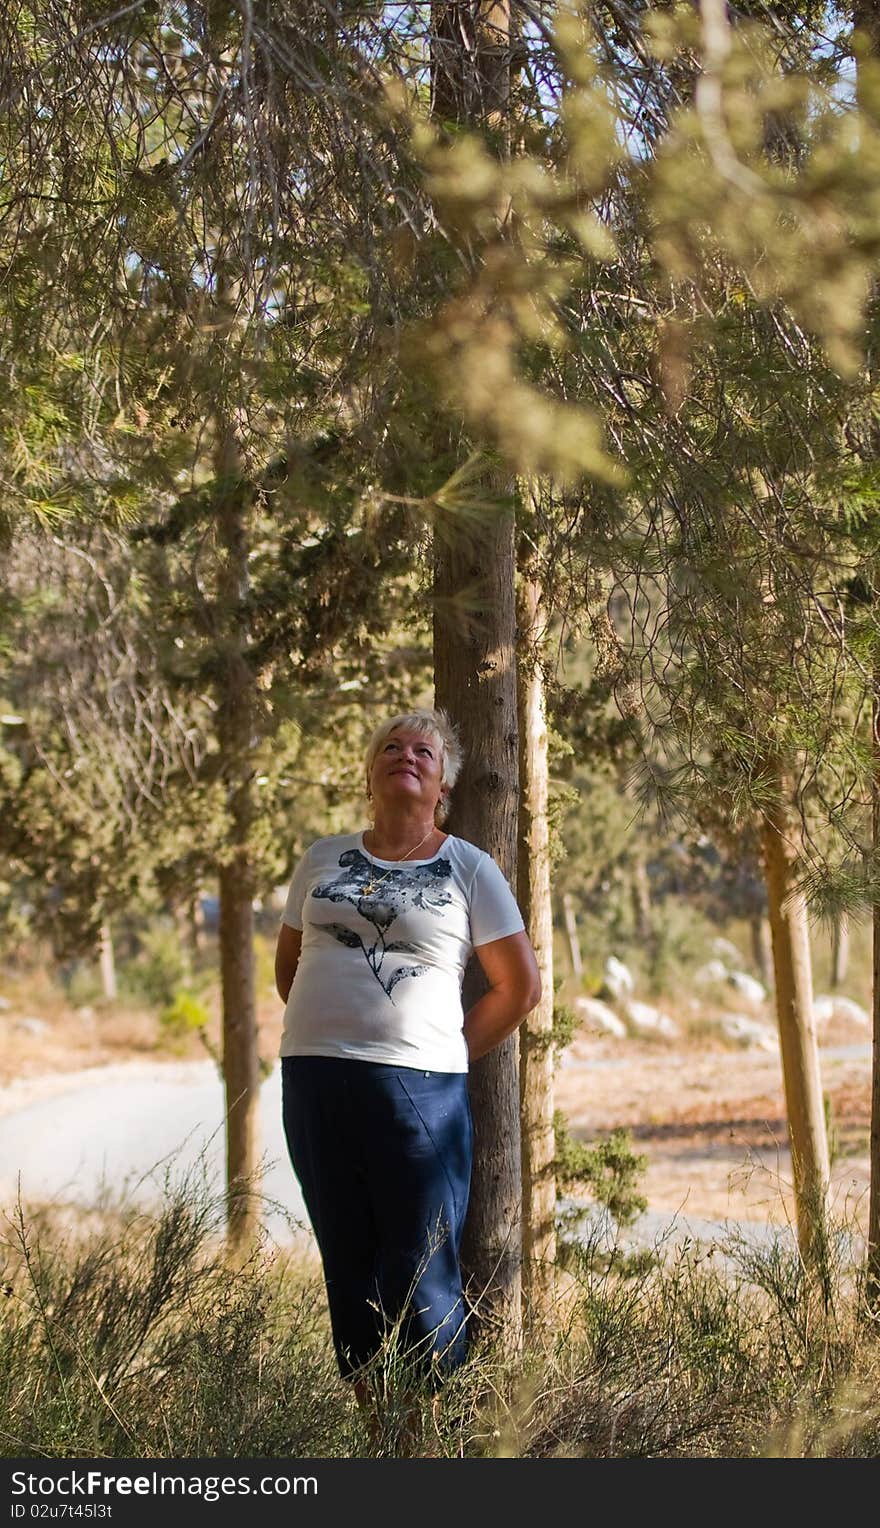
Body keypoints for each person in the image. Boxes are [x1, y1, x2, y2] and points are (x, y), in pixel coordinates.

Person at [274, 706, 540, 1425]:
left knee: (421, 1267)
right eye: (391, 747)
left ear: (443, 783)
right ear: (370, 773)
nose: (406, 756)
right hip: (315, 1079)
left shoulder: (468, 868)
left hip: (422, 1088)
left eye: (423, 751)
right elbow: (289, 969)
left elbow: (519, 989)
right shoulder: (322, 858)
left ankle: (426, 1440)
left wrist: (446, 1050)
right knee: (347, 1259)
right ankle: (377, 1435)